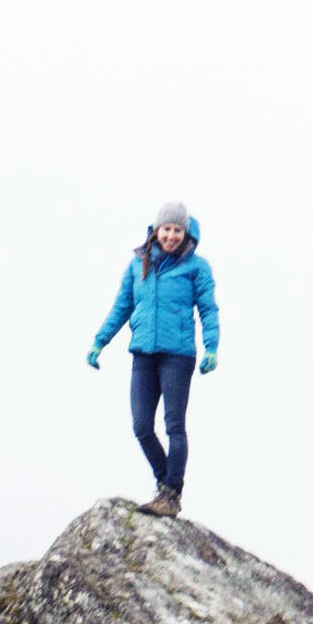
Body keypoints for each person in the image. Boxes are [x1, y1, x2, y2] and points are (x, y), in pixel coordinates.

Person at [88, 207, 219, 513]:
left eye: (177, 230)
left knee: (174, 425)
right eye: (167, 229)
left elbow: (208, 309)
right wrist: (99, 341)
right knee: (142, 426)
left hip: (178, 355)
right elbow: (121, 307)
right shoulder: (138, 265)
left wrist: (211, 346)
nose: (172, 235)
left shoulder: (197, 268)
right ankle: (165, 484)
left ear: (185, 233)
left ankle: (171, 493)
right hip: (143, 354)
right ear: (156, 231)